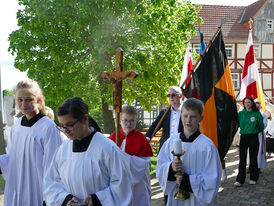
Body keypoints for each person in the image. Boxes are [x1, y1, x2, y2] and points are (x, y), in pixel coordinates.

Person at [43, 97, 133, 206]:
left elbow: (122, 186)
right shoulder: (63, 150)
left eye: (70, 125)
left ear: (85, 119)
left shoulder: (107, 148)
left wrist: (97, 200)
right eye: (62, 126)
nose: (66, 131)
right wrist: (65, 199)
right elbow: (52, 182)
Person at [0, 79, 63, 206]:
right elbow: (12, 158)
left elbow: (53, 167)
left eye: (29, 99)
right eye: (20, 100)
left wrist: (49, 197)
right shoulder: (17, 126)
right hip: (17, 187)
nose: (24, 104)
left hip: (38, 191)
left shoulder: (48, 128)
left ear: (38, 100)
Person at [156, 98, 222, 206]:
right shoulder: (171, 142)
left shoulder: (207, 146)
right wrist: (171, 168)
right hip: (176, 199)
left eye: (193, 116)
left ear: (201, 118)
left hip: (198, 201)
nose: (188, 121)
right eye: (185, 116)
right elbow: (160, 166)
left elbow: (213, 178)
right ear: (180, 115)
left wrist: (186, 180)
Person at [146, 86, 184, 205]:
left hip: (182, 150)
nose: (171, 98)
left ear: (180, 96)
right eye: (169, 96)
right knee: (167, 177)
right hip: (167, 150)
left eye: (173, 95)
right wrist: (147, 138)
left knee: (181, 176)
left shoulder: (185, 111)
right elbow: (155, 125)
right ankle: (168, 202)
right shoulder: (164, 112)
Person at [109, 105, 153, 206]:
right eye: (125, 120)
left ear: (136, 121)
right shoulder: (113, 137)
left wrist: (121, 156)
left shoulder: (141, 139)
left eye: (132, 121)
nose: (128, 124)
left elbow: (140, 165)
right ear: (120, 121)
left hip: (138, 185)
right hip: (118, 184)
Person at [234, 96, 264, 187]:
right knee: (242, 159)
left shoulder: (257, 114)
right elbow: (237, 124)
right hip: (244, 137)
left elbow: (261, 127)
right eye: (245, 102)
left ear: (252, 103)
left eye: (249, 102)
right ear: (243, 104)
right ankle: (240, 180)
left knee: (253, 158)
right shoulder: (241, 113)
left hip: (253, 137)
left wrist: (253, 130)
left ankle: (253, 178)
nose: (247, 104)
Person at [247, 101, 268, 172]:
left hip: (259, 135)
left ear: (261, 107)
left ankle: (258, 167)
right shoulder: (250, 114)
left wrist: (255, 128)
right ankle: (250, 166)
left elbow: (264, 125)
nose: (257, 107)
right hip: (250, 134)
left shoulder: (263, 115)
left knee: (258, 151)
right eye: (256, 106)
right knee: (250, 150)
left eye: (258, 106)